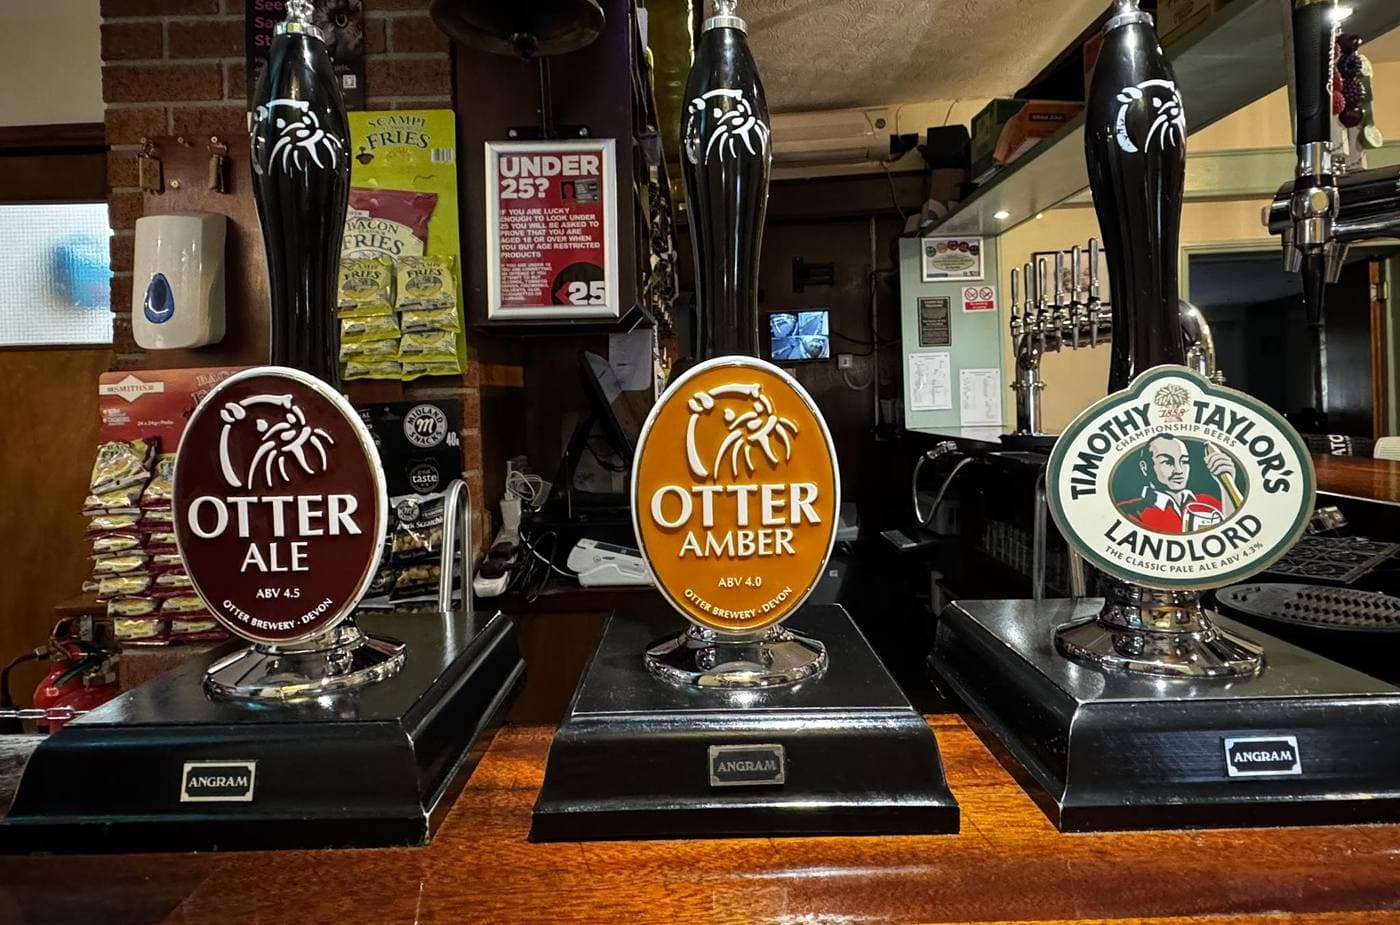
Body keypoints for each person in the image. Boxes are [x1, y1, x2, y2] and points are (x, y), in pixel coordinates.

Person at [1118, 433, 1237, 534]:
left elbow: (1237, 530)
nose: (1179, 470)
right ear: (1145, 467)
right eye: (1167, 462)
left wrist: (1226, 483)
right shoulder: (1128, 512)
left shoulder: (1208, 503)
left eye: (1184, 461)